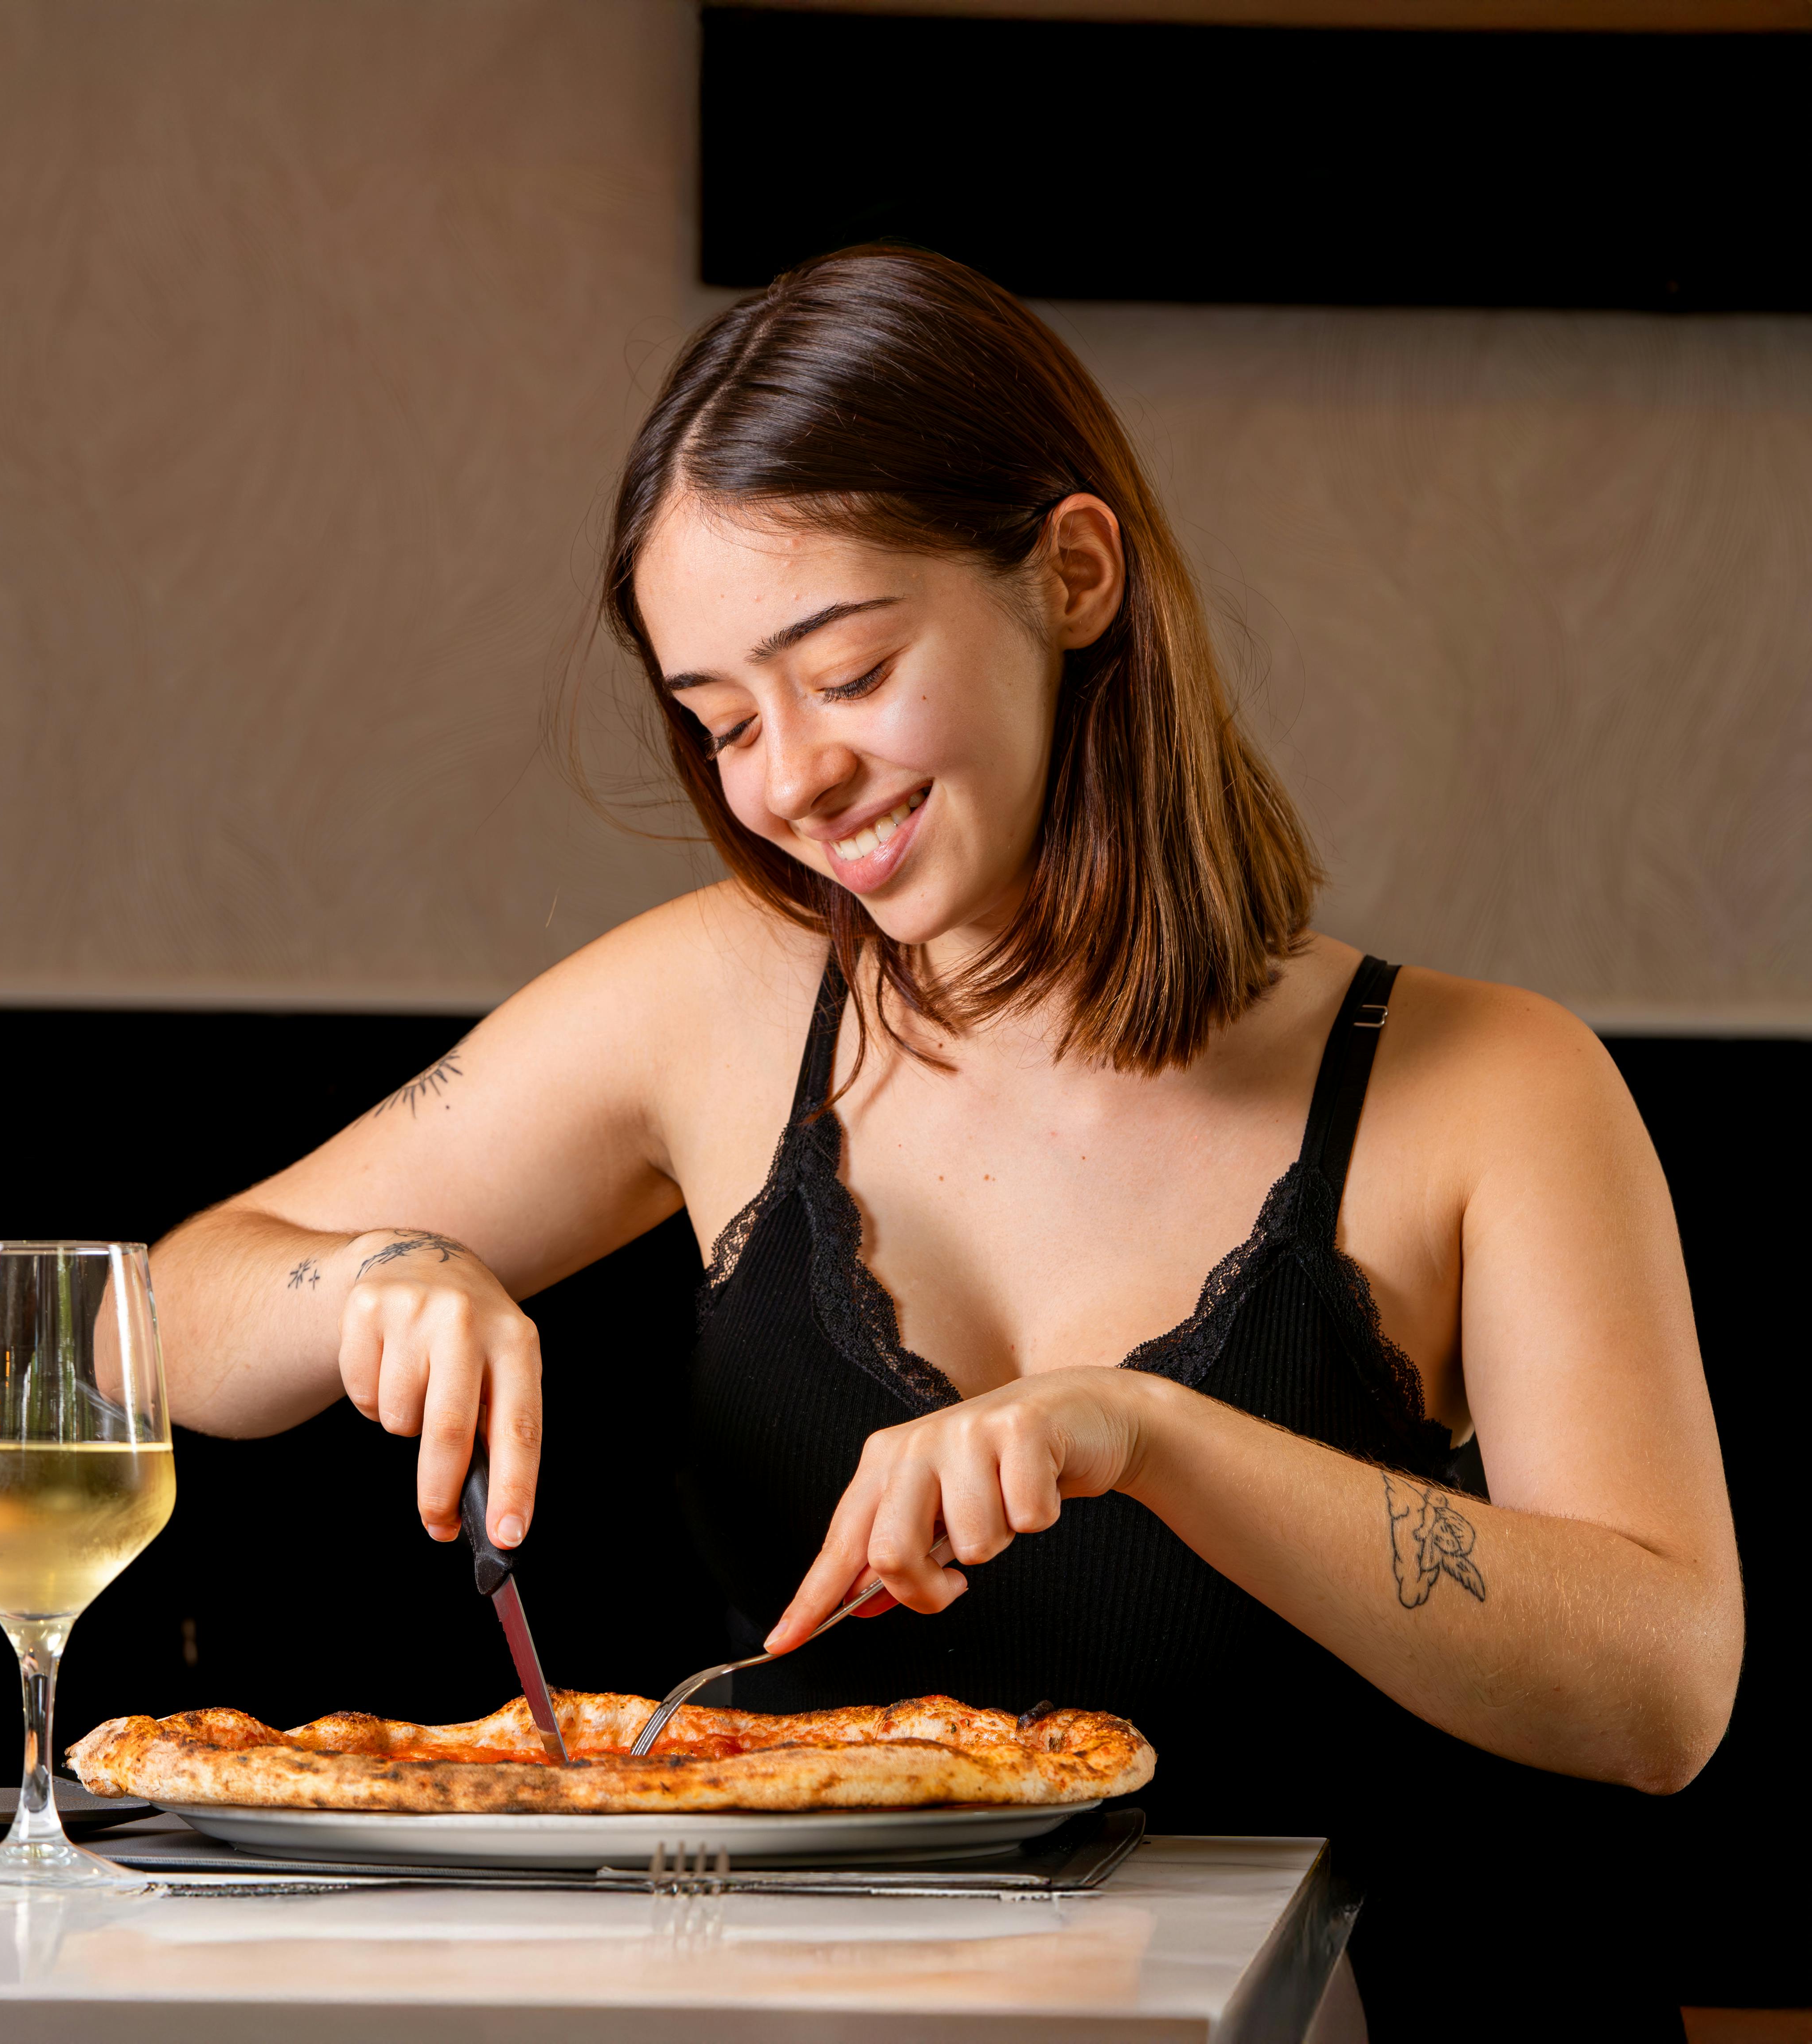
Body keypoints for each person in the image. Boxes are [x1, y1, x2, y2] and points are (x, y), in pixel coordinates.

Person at [152, 248, 1738, 2038]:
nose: (787, 780)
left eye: (846, 672)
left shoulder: (1489, 1084)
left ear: (1074, 574)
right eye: (721, 720)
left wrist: (1147, 1435)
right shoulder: (714, 1003)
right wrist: (381, 1273)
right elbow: (182, 1310)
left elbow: (1661, 1694)